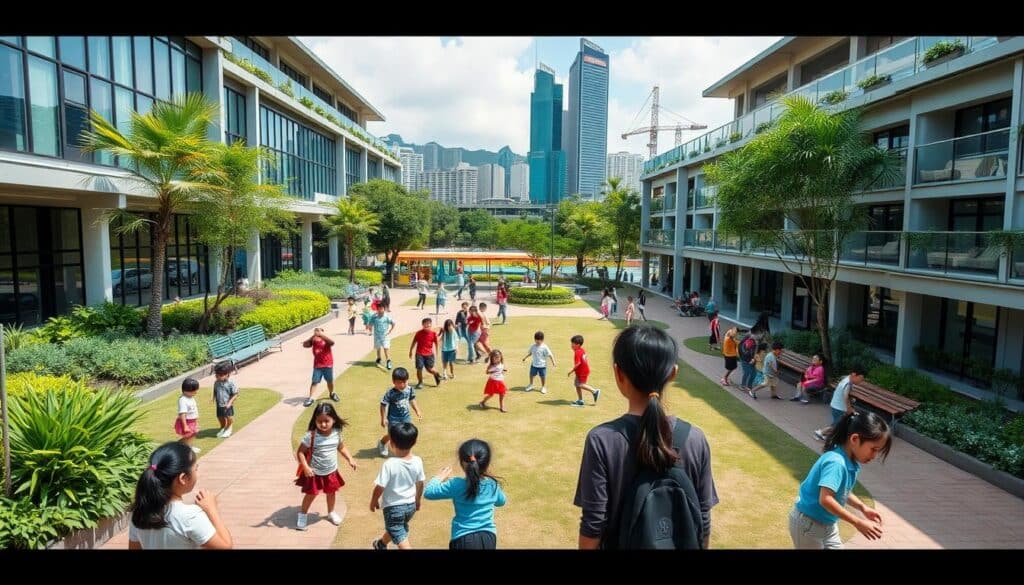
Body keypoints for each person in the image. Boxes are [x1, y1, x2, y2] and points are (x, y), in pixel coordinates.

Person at [574, 325, 718, 549]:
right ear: (672, 374)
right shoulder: (696, 439)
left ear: (618, 373)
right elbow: (703, 519)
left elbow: (594, 524)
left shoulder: (602, 440)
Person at [790, 411, 891, 549]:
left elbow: (842, 491)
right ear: (855, 439)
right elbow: (826, 499)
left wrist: (863, 508)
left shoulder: (849, 461)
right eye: (873, 449)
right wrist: (857, 522)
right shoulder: (836, 462)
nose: (874, 456)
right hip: (808, 526)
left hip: (828, 526)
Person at [128, 442, 233, 549]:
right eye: (195, 469)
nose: (197, 473)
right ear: (183, 478)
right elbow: (226, 546)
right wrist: (212, 509)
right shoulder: (190, 516)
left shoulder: (139, 512)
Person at [423, 438, 507, 549]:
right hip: (488, 538)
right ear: (487, 463)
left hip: (463, 539)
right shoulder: (492, 485)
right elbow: (502, 502)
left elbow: (429, 492)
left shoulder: (456, 484)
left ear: (463, 463)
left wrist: (439, 477)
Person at [295, 402, 358, 531]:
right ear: (315, 420)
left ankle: (331, 513)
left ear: (333, 420)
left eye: (326, 421)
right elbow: (300, 452)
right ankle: (302, 514)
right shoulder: (311, 436)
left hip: (331, 471)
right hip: (314, 473)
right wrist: (306, 467)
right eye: (319, 421)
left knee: (331, 493)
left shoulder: (337, 433)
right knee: (311, 495)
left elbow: (341, 447)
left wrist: (350, 459)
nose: (323, 424)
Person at [371, 422, 425, 550]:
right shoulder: (417, 461)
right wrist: (417, 500)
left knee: (399, 534)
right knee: (397, 528)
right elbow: (420, 483)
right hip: (410, 506)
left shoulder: (389, 464)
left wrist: (373, 501)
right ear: (415, 442)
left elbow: (380, 486)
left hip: (393, 508)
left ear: (391, 443)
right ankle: (381, 544)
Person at [378, 367, 423, 457]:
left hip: (406, 417)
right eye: (399, 383)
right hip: (393, 419)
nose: (402, 385)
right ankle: (382, 443)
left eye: (404, 382)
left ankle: (403, 451)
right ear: (393, 382)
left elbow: (412, 400)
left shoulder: (409, 389)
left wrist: (417, 410)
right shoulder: (390, 393)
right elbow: (383, 405)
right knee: (392, 435)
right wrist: (383, 419)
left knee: (406, 434)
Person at [814, 363, 866, 441]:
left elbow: (845, 394)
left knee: (838, 423)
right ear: (854, 374)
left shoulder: (846, 379)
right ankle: (821, 432)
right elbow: (845, 396)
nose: (860, 381)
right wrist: (849, 409)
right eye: (860, 378)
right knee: (838, 425)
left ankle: (827, 435)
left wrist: (851, 399)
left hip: (836, 405)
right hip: (839, 407)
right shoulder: (848, 383)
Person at [302, 327, 338, 407]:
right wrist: (312, 337)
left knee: (329, 381)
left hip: (328, 364)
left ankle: (332, 393)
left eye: (319, 332)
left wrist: (322, 335)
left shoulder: (326, 340)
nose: (318, 333)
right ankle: (310, 398)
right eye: (316, 332)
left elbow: (332, 343)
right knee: (314, 382)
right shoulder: (313, 341)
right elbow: (305, 345)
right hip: (317, 365)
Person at [568, 334, 601, 407]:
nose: (571, 345)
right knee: (577, 385)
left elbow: (578, 363)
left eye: (573, 344)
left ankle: (595, 391)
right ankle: (580, 401)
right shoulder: (581, 350)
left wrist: (571, 371)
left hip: (582, 372)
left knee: (581, 385)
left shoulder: (577, 352)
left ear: (578, 345)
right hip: (580, 371)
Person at [409, 317, 442, 389]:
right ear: (422, 325)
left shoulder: (433, 334)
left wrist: (437, 353)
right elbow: (414, 342)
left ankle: (437, 374)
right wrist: (411, 351)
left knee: (429, 369)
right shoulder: (418, 333)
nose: (427, 327)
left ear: (431, 325)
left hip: (429, 354)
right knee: (419, 368)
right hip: (419, 353)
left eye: (429, 326)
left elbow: (436, 344)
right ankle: (420, 382)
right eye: (425, 326)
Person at [212, 362, 238, 439]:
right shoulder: (216, 382)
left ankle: (229, 428)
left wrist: (230, 403)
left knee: (228, 417)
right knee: (220, 416)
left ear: (227, 374)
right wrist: (213, 398)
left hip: (227, 404)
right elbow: (215, 391)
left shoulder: (231, 383)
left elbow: (235, 394)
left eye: (220, 375)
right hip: (219, 403)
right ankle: (223, 428)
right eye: (216, 375)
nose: (218, 377)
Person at [175, 378, 201, 453]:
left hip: (192, 420)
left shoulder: (190, 397)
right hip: (187, 421)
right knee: (188, 435)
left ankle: (189, 446)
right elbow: (182, 413)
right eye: (194, 391)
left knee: (193, 434)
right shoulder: (183, 400)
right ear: (186, 390)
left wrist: (196, 422)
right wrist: (185, 426)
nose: (196, 392)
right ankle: (182, 446)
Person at [479, 349, 509, 413]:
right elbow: (487, 372)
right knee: (491, 395)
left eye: (498, 357)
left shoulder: (501, 364)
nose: (497, 359)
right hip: (493, 382)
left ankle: (502, 406)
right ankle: (482, 402)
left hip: (500, 381)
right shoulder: (492, 365)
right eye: (495, 358)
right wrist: (493, 371)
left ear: (501, 357)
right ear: (492, 359)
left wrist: (503, 371)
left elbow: (501, 369)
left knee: (502, 393)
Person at [371, 303, 397, 370]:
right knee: (378, 347)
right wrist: (369, 328)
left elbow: (393, 323)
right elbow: (370, 323)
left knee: (386, 348)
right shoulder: (374, 316)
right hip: (377, 336)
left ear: (384, 309)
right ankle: (379, 358)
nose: (380, 310)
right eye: (379, 309)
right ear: (377, 309)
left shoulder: (386, 317)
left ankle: (388, 361)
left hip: (385, 336)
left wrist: (390, 331)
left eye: (381, 309)